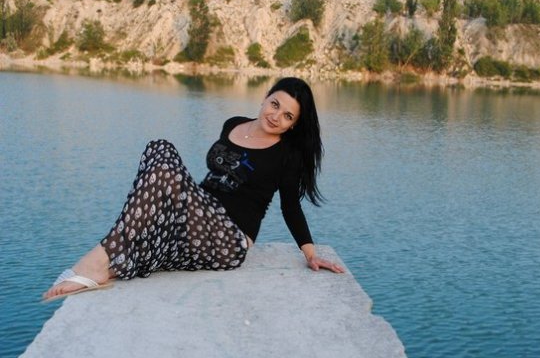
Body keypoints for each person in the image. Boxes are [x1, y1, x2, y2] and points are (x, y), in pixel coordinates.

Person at [43, 77, 344, 302]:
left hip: (228, 239)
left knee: (166, 174)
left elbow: (290, 207)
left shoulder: (287, 155)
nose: (276, 116)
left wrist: (310, 253)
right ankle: (109, 267)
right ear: (266, 97)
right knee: (160, 149)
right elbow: (214, 178)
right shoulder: (233, 124)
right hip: (196, 218)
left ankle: (95, 262)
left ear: (292, 125)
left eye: (288, 116)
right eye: (275, 104)